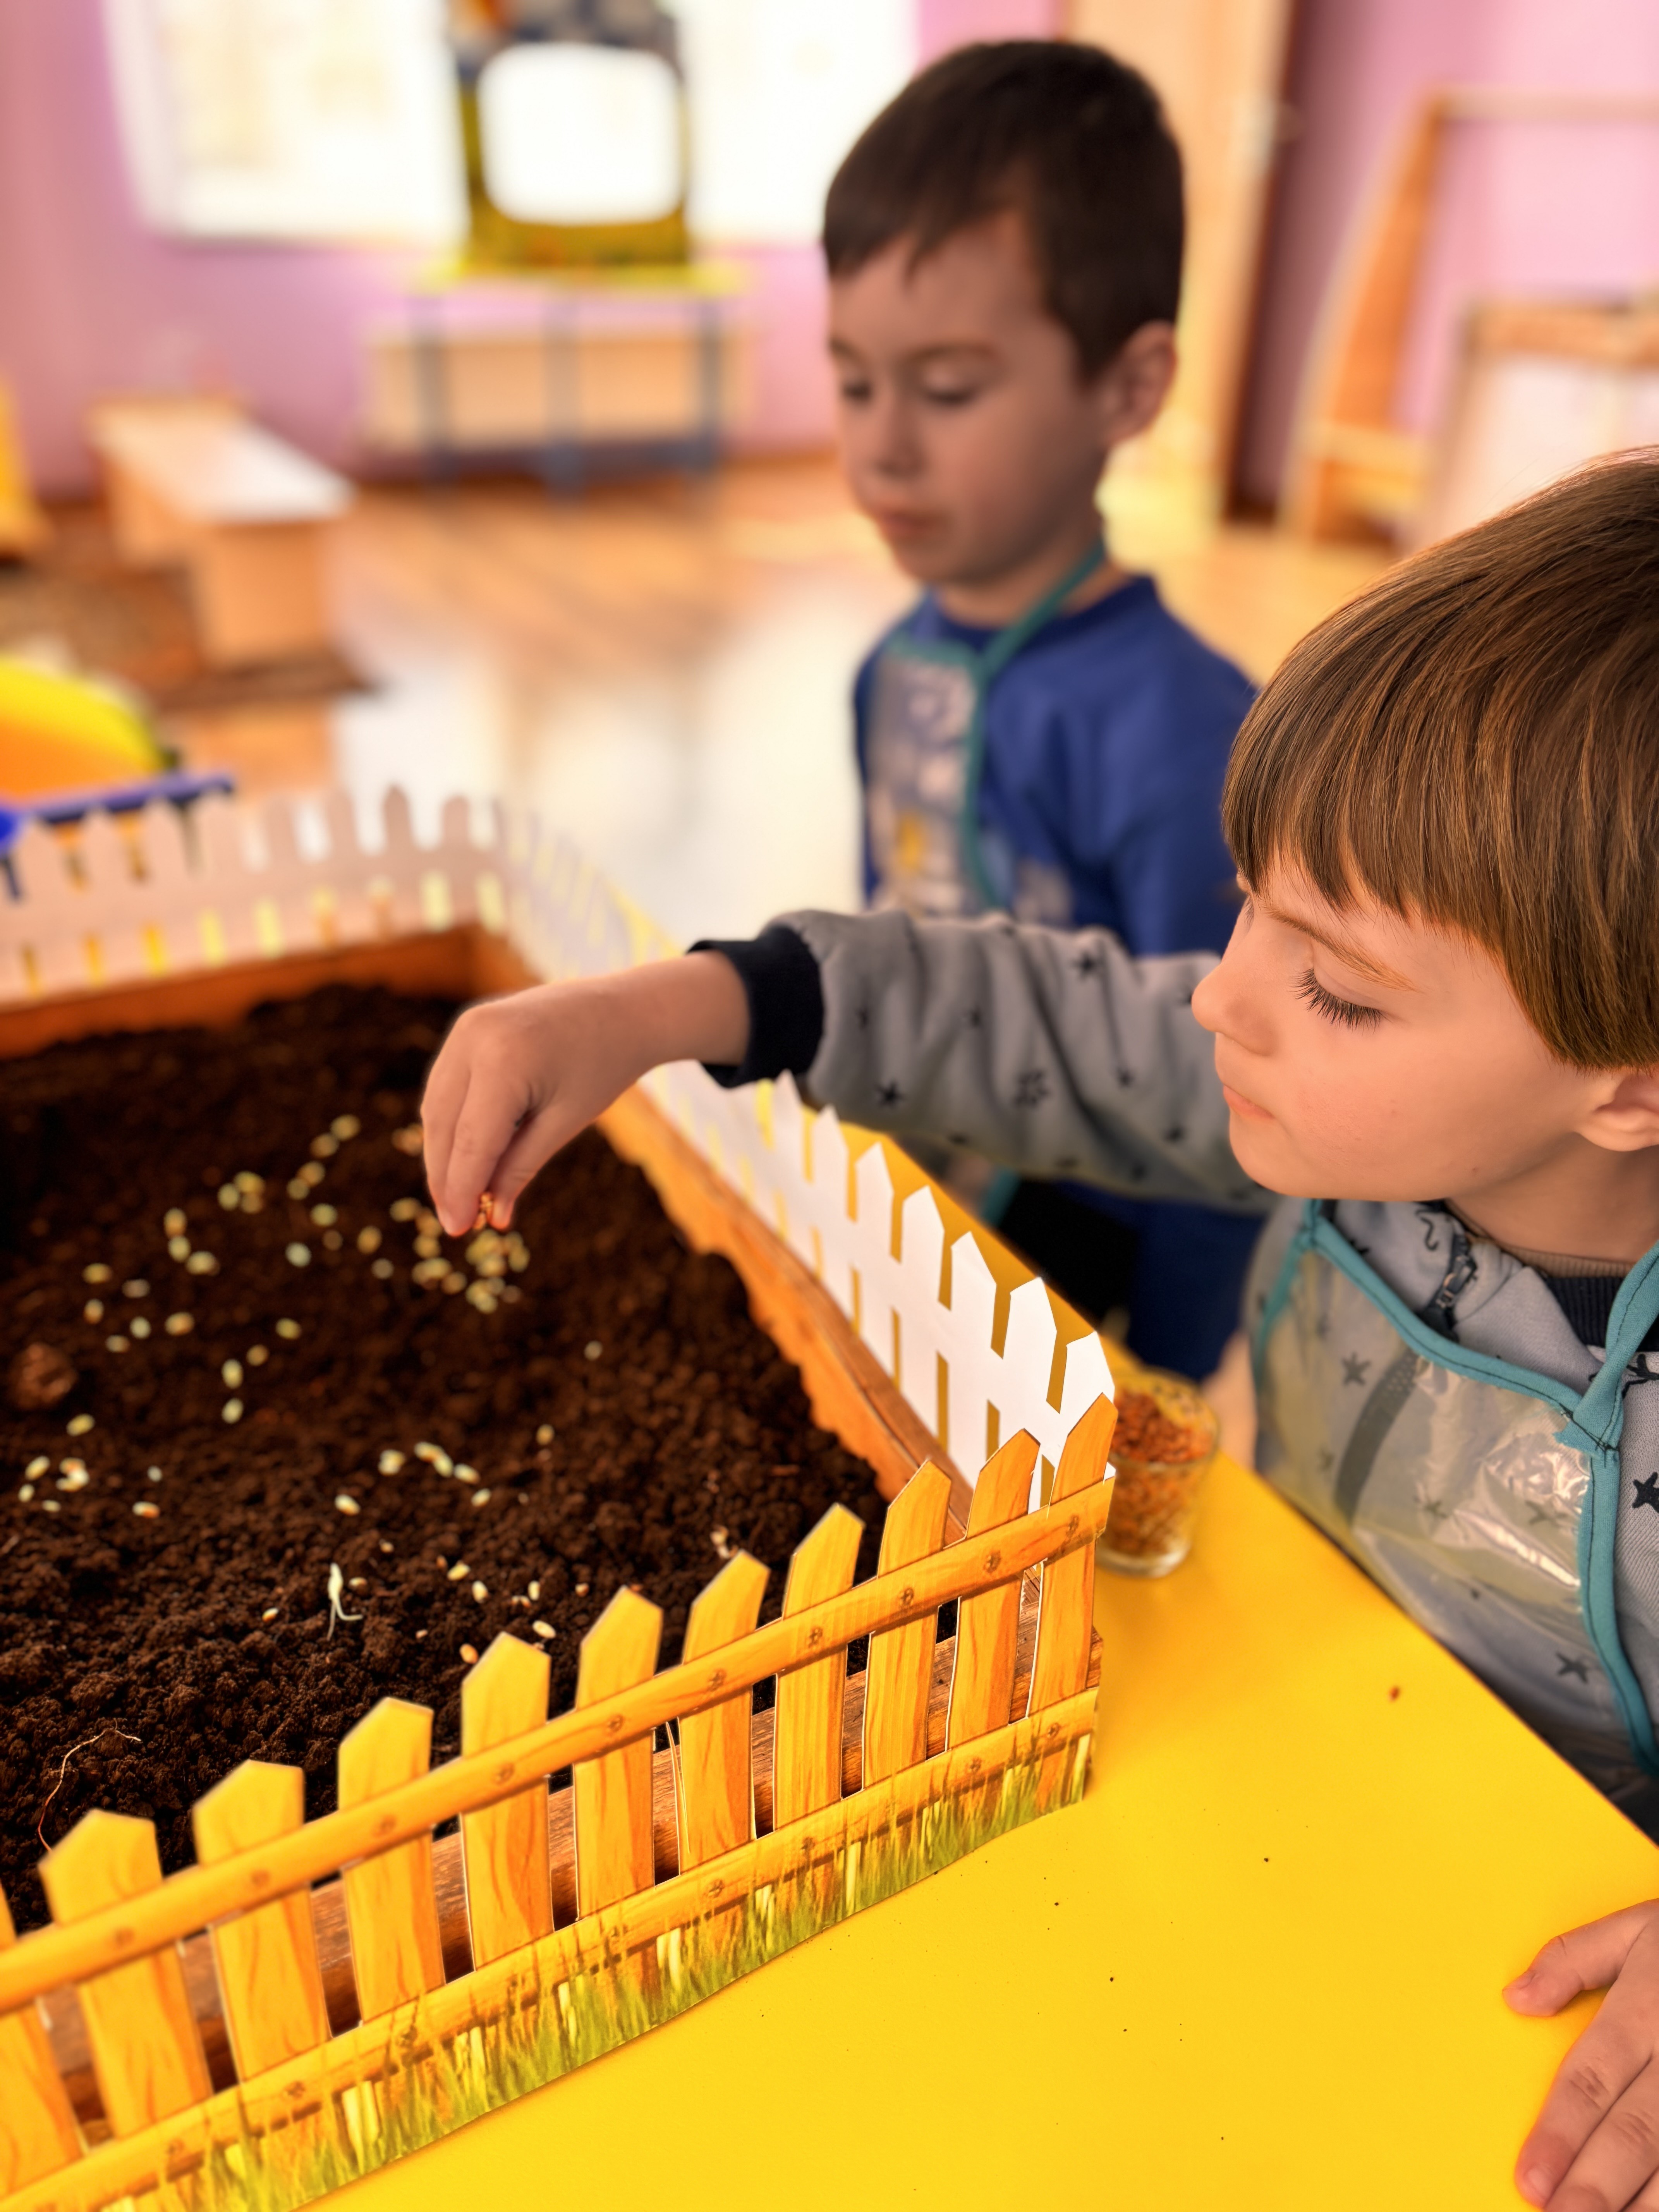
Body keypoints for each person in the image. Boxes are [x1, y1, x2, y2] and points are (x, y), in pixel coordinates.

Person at [423, 458, 1659, 2209]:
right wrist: (685, 1002)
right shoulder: (1325, 1087)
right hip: (1291, 1745)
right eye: (1248, 906)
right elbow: (1047, 1015)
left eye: (1336, 987)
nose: (1220, 994)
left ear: (1631, 1090)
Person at [823, 41, 1260, 1379]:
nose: (883, 444)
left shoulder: (1187, 737)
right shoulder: (887, 669)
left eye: (948, 388)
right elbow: (887, 940)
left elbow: (1236, 1090)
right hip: (920, 1204)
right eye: (853, 381)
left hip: (1088, 1253)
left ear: (1127, 388)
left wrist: (1172, 1365)